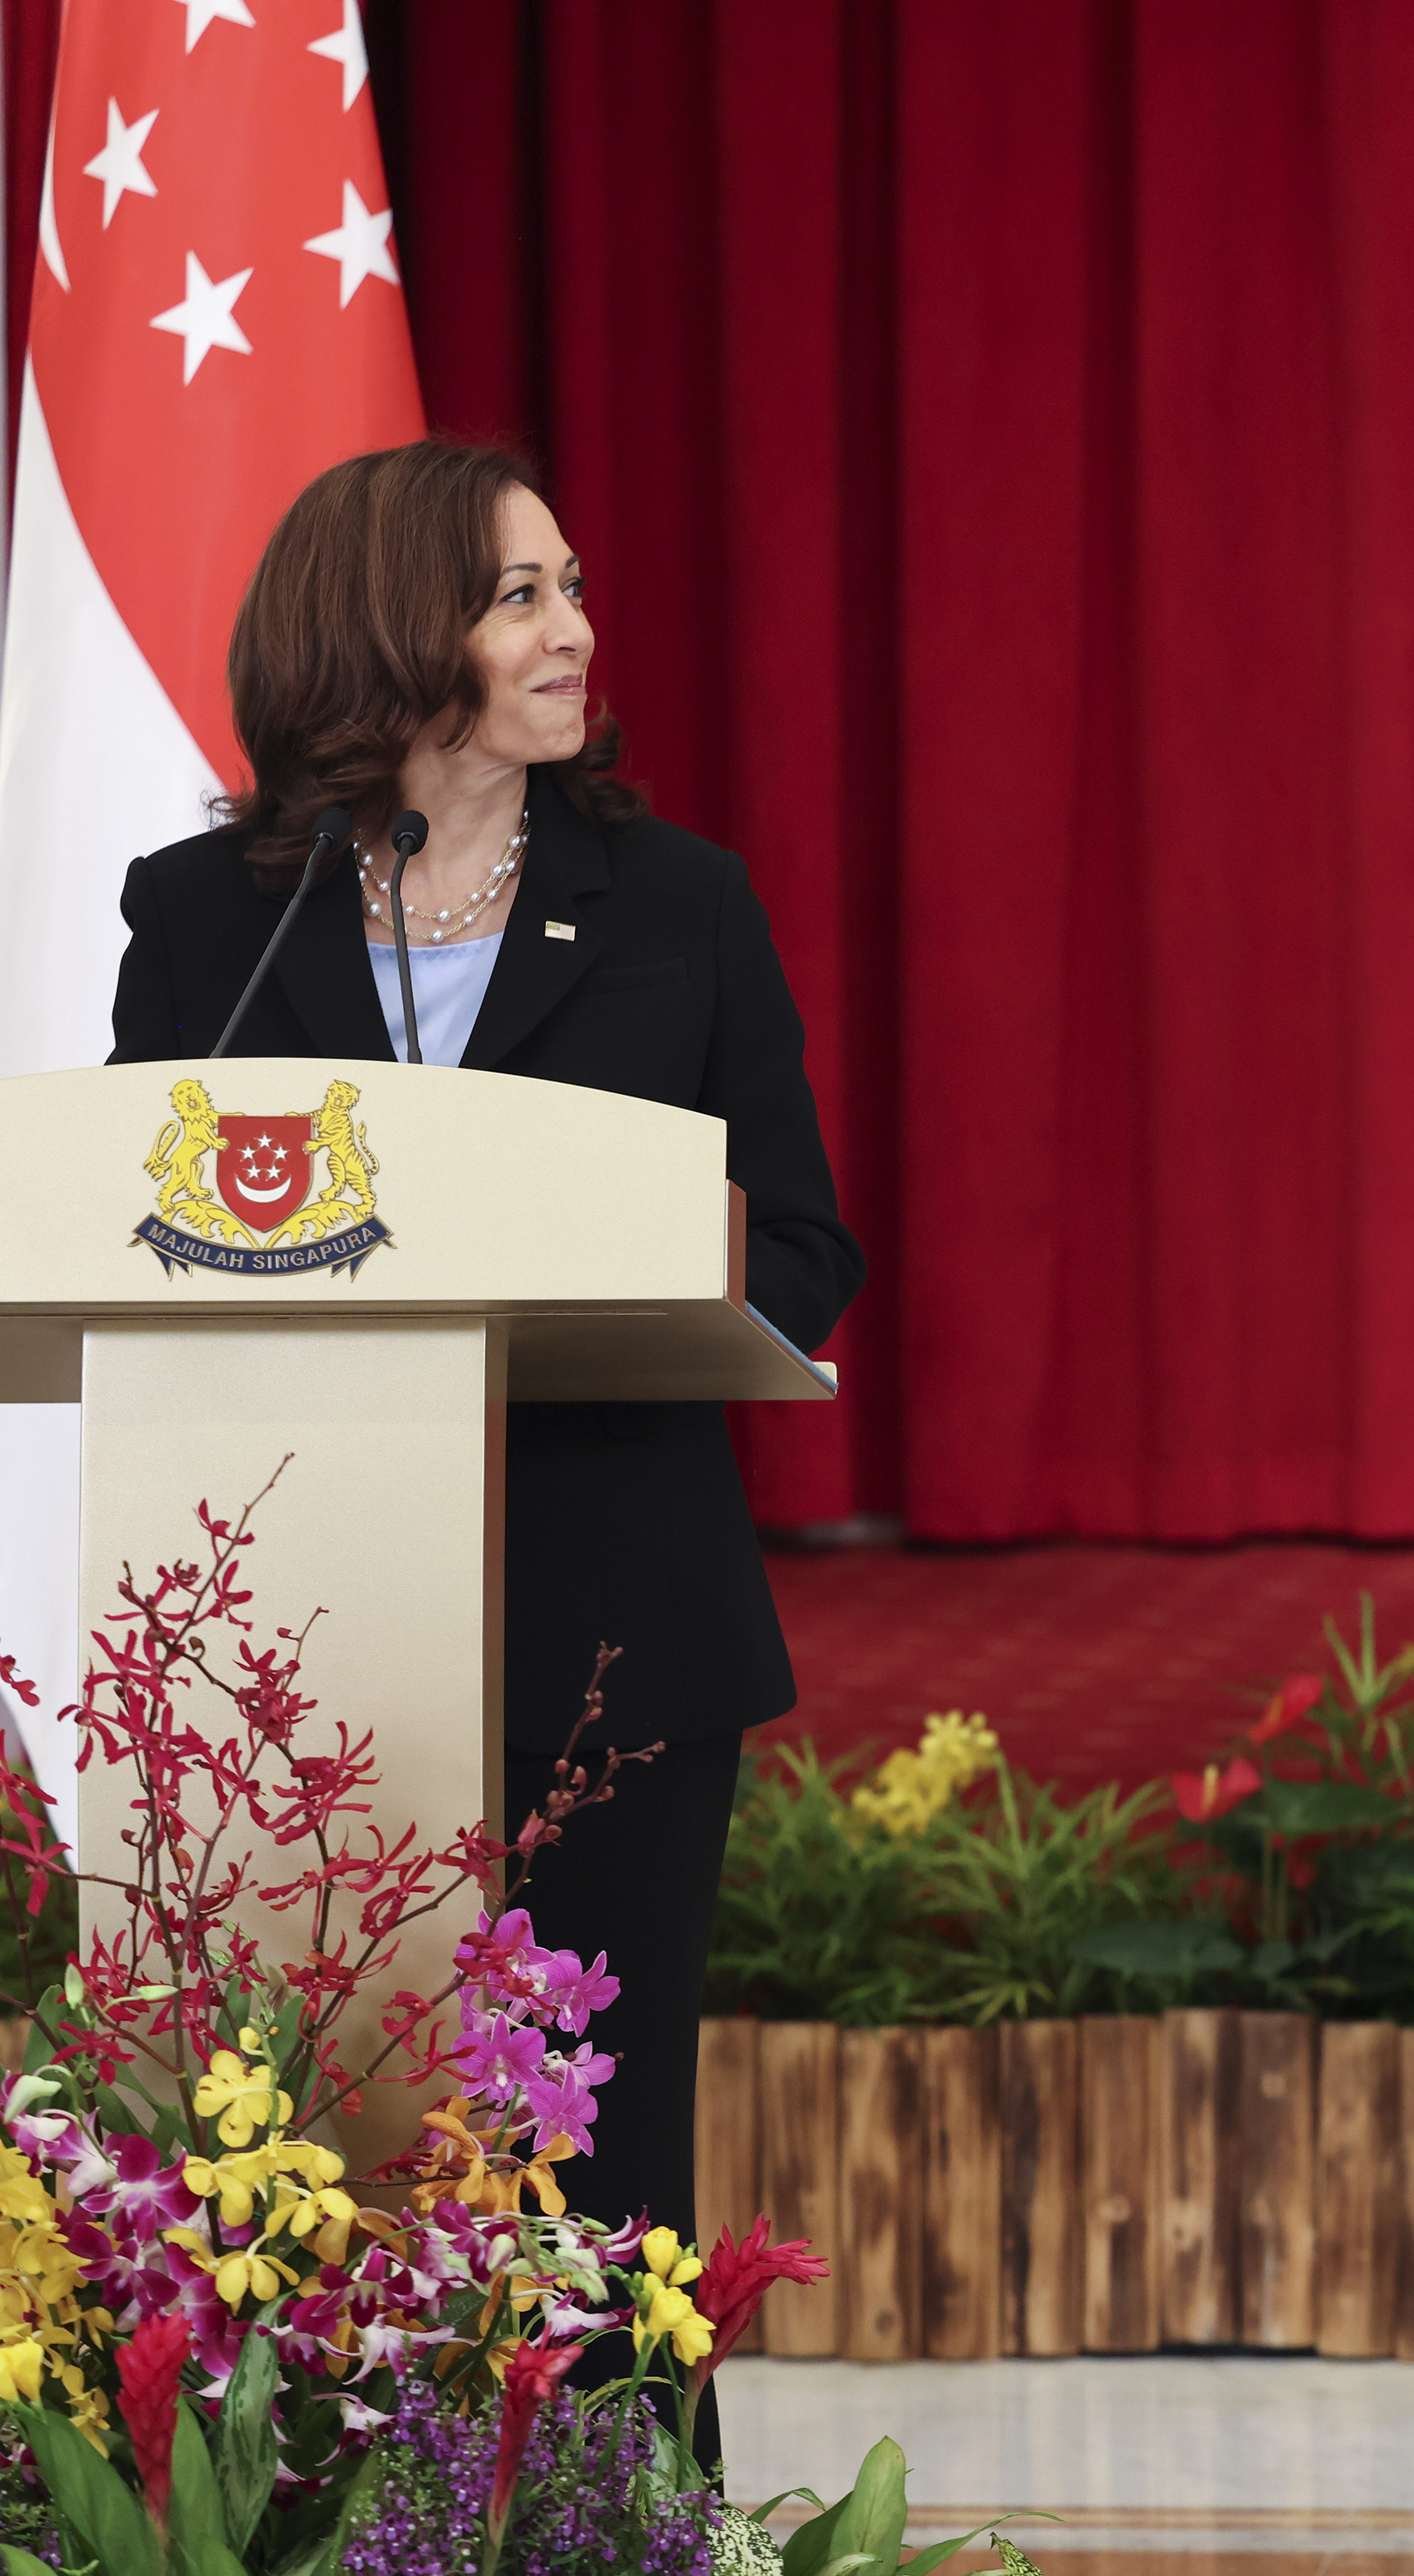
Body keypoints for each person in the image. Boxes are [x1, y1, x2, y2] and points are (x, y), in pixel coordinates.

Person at [104, 439, 862, 2346]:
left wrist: (603, 1286)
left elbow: (799, 1246)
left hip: (610, 1635)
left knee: (595, 2202)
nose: (575, 632)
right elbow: (128, 1234)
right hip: (299, 1649)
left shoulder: (677, 902)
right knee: (290, 2170)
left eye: (574, 591)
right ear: (386, 626)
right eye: (521, 594)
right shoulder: (215, 917)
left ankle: (620, 2534)